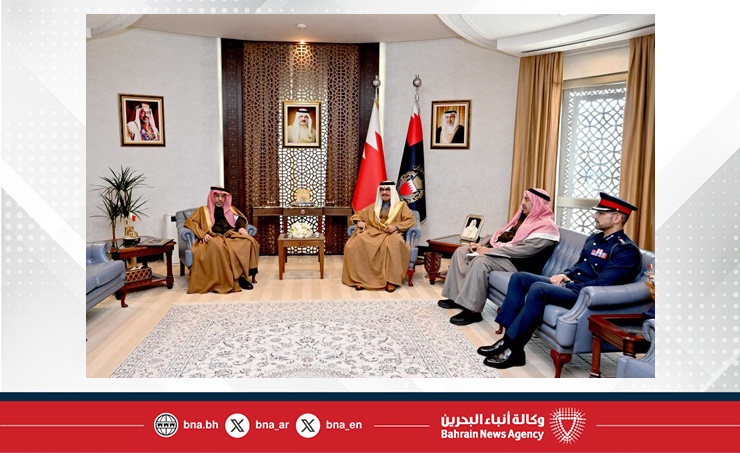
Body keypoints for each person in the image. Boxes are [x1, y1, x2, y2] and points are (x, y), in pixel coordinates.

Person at [479, 192, 643, 369]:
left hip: (585, 295)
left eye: (601, 213)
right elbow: (579, 265)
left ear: (617, 218)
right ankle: (507, 340)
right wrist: (566, 274)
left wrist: (568, 284)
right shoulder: (595, 239)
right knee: (520, 278)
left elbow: (603, 284)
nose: (595, 216)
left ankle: (515, 350)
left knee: (539, 289)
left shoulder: (625, 250)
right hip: (574, 286)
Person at [438, 189, 560, 326]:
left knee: (481, 261)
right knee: (461, 252)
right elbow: (500, 236)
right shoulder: (525, 220)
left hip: (519, 265)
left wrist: (489, 251)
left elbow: (523, 250)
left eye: (526, 199)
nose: (522, 203)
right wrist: (480, 245)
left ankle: (472, 311)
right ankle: (457, 298)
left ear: (538, 204)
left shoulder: (547, 228)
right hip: (505, 257)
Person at [342, 181, 416, 292]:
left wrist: (396, 227)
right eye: (382, 190)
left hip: (391, 233)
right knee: (356, 242)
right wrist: (359, 222)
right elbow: (358, 215)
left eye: (387, 189)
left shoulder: (401, 206)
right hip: (374, 231)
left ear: (392, 191)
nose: (384, 192)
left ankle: (391, 280)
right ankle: (361, 279)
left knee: (394, 244)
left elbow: (410, 220)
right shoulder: (375, 206)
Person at [184, 186, 260, 294]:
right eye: (217, 196)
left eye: (222, 197)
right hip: (213, 237)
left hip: (230, 236)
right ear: (212, 197)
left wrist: (242, 228)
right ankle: (219, 282)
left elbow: (240, 219)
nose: (220, 199)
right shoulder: (203, 210)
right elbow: (190, 223)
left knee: (248, 241)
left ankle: (241, 276)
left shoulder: (230, 209)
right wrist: (203, 234)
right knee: (217, 245)